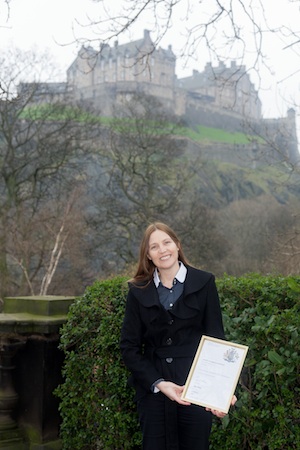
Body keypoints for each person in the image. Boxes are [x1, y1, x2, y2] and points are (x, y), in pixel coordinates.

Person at [120, 222, 236, 450]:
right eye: (154, 247)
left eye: (166, 243)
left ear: (177, 246)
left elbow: (217, 342)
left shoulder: (204, 282)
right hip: (153, 391)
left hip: (196, 389)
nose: (162, 250)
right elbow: (129, 347)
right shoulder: (137, 291)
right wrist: (159, 384)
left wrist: (221, 393)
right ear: (148, 256)